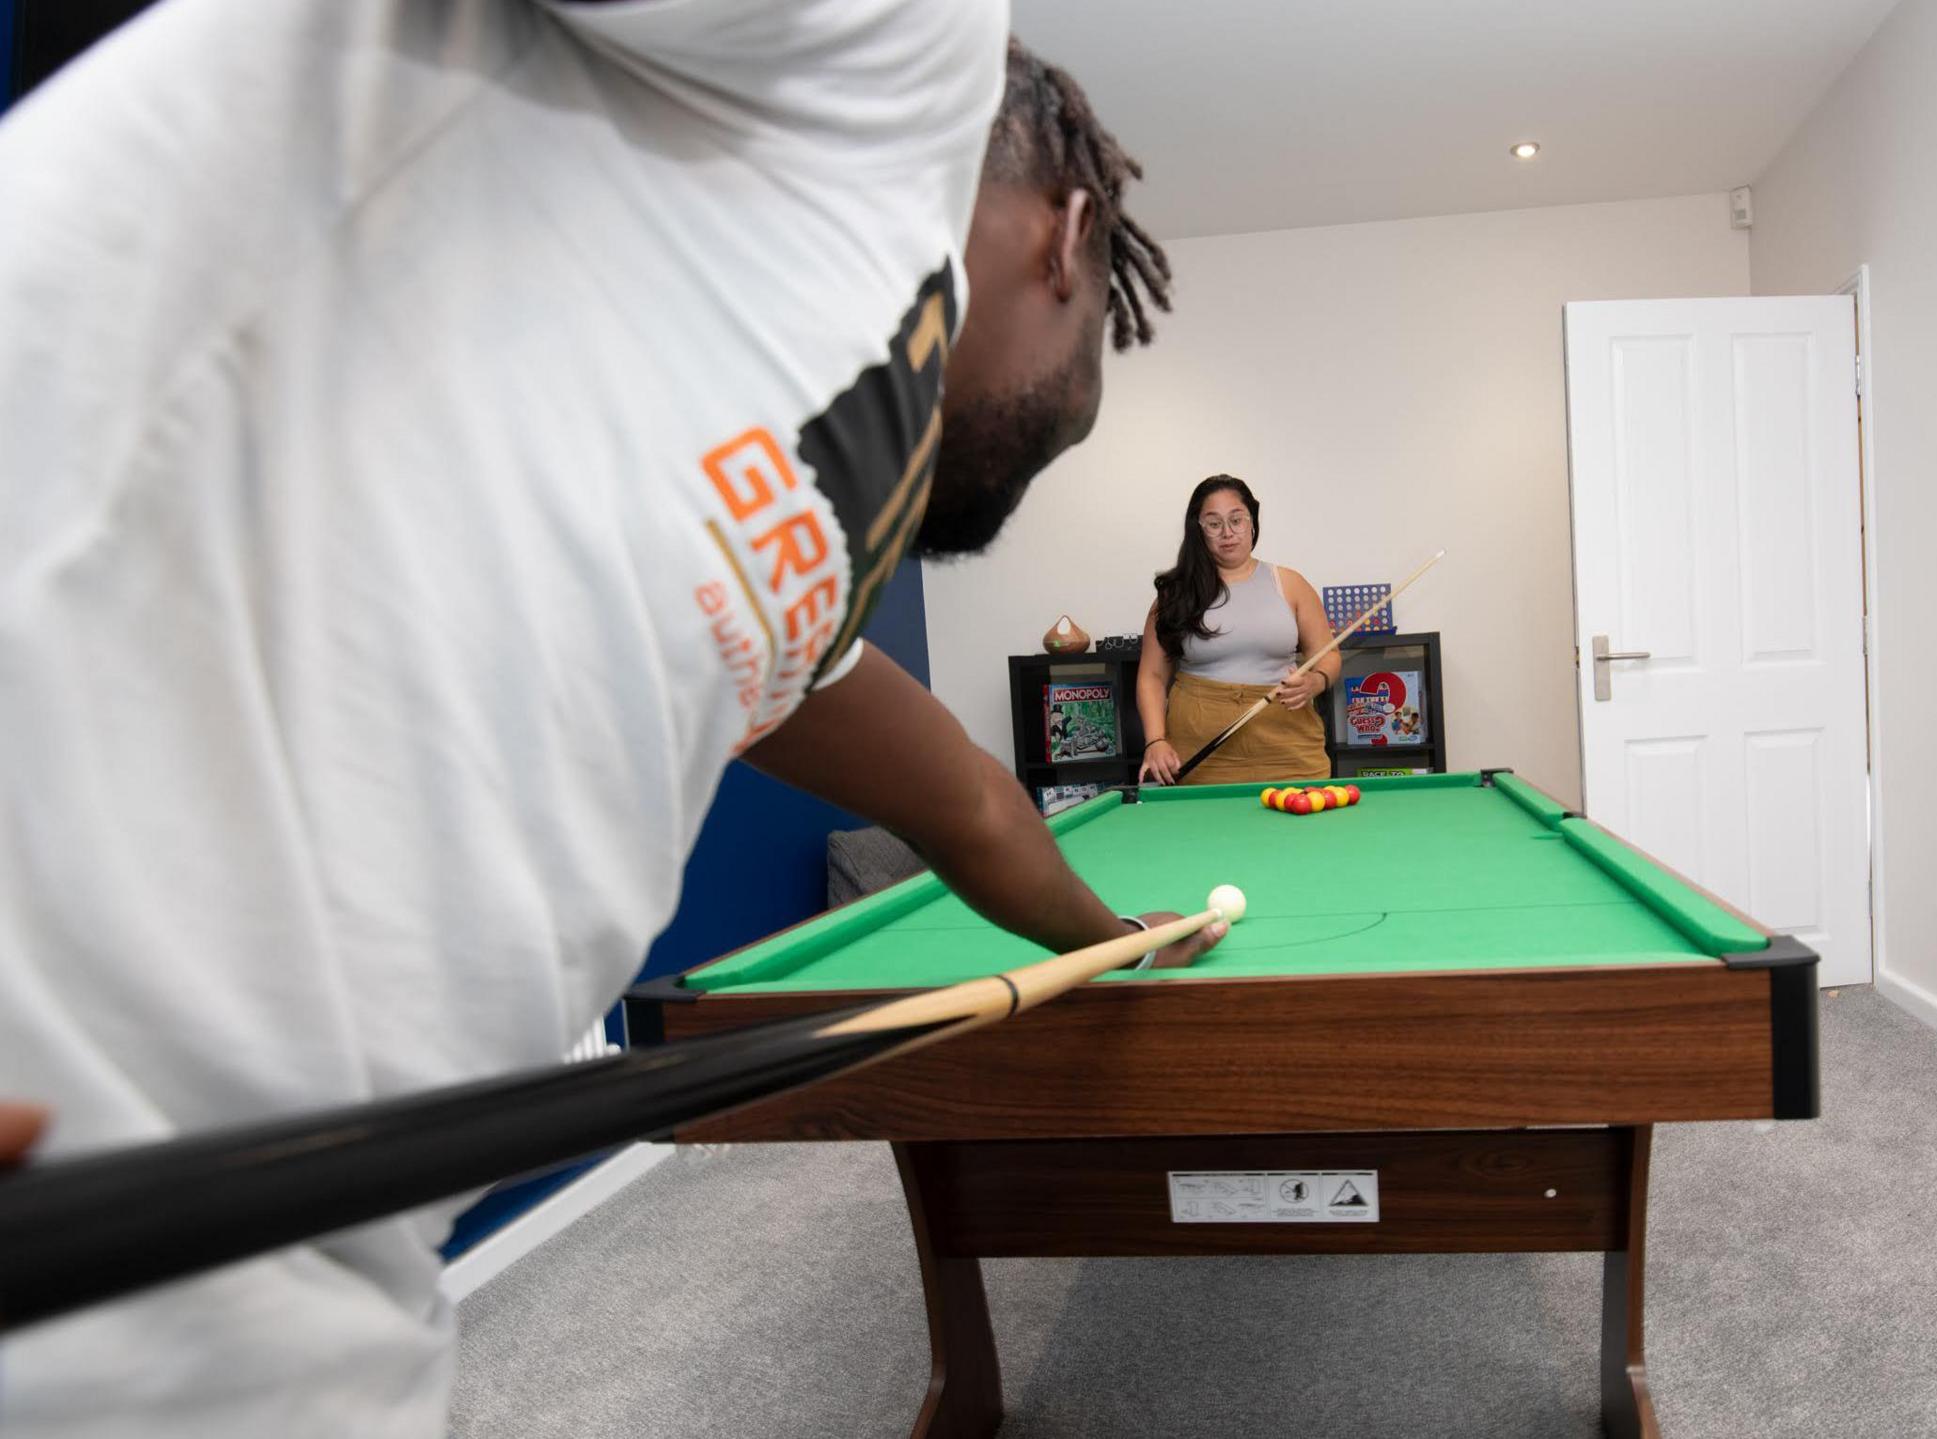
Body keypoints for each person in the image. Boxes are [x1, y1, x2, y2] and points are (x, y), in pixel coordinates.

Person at [0, 4, 1209, 1435]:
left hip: (290, 1288)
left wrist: (1124, 942)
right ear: (1068, 234)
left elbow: (973, 810)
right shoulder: (896, 53)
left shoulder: (799, 527)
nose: (1074, 407)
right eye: (1090, 363)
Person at [1136, 476, 1340, 787]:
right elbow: (1151, 676)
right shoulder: (1174, 595)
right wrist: (1155, 741)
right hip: (1200, 751)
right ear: (1198, 529)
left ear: (1252, 523)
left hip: (1289, 747)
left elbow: (1328, 655)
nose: (1228, 532)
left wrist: (1317, 680)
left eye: (1237, 520)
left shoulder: (1290, 583)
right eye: (1214, 523)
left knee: (1301, 832)